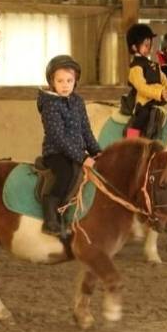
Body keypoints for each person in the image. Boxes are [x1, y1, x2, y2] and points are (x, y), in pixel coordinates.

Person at [36, 54, 101, 239]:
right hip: (56, 152)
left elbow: (86, 130)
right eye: (60, 81)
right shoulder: (50, 104)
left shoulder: (77, 101)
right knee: (65, 174)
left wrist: (96, 151)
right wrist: (82, 157)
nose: (65, 85)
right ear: (52, 82)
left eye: (69, 81)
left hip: (77, 151)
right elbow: (58, 137)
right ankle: (50, 216)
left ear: (75, 81)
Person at [122, 23, 167, 140]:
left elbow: (165, 81)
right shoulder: (135, 68)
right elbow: (142, 87)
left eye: (150, 45)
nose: (149, 48)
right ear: (134, 47)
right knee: (142, 115)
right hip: (143, 102)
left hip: (158, 100)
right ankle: (131, 140)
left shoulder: (153, 65)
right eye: (146, 45)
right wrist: (159, 93)